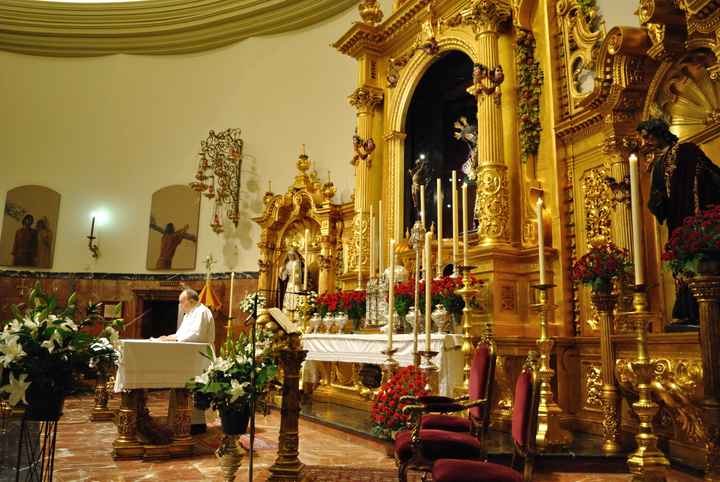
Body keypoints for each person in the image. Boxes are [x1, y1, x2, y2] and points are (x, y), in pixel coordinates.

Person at [638, 118, 720, 328]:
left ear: (659, 133)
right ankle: (687, 310)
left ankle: (702, 310)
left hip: (694, 215)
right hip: (677, 223)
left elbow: (710, 175)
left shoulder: (686, 150)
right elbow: (657, 197)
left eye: (647, 137)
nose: (644, 142)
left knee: (700, 262)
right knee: (683, 266)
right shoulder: (658, 163)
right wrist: (656, 203)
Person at [158, 288, 215, 433]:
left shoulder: (202, 312)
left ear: (191, 300)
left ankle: (196, 424)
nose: (180, 304)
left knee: (195, 389)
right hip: (188, 356)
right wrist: (168, 337)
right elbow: (181, 334)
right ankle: (182, 420)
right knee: (185, 387)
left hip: (199, 356)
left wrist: (174, 338)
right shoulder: (189, 314)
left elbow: (197, 335)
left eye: (181, 301)